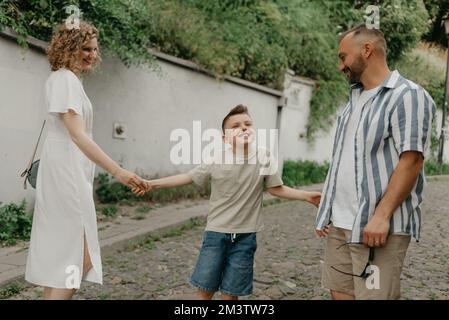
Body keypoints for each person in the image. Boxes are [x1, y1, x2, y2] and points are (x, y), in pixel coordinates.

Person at [134, 104, 321, 300]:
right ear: (225, 138)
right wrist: (152, 184)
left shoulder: (263, 157)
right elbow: (188, 177)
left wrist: (307, 196)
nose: (243, 128)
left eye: (248, 124)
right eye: (236, 126)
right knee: (205, 289)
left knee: (231, 293)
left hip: (246, 237)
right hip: (216, 233)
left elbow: (275, 188)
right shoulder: (216, 159)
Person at [25, 21, 147, 300]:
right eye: (85, 48)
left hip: (65, 168)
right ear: (69, 48)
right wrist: (118, 171)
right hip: (66, 171)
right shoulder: (66, 80)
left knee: (61, 255)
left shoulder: (63, 80)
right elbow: (78, 136)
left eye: (94, 49)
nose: (91, 54)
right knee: (79, 257)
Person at [315, 24, 436, 300]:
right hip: (341, 224)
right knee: (340, 294)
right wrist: (328, 208)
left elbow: (412, 160)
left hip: (376, 230)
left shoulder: (407, 95)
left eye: (343, 57)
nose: (340, 66)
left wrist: (381, 217)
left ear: (366, 50)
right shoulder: (354, 100)